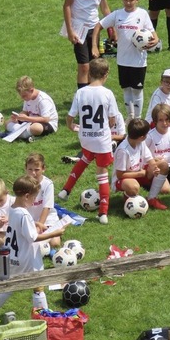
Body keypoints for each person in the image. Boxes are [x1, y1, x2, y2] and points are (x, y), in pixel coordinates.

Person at [0, 175, 66, 324]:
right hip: (27, 258)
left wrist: (37, 224)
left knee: (10, 286)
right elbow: (32, 238)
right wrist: (54, 233)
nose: (34, 201)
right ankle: (43, 315)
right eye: (34, 198)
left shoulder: (13, 209)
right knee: (38, 285)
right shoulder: (24, 213)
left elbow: (21, 229)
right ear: (27, 196)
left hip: (14, 255)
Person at [58, 58, 118, 225]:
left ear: (89, 74)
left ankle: (65, 190)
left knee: (84, 159)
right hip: (101, 140)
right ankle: (103, 212)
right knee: (102, 174)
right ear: (106, 74)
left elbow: (69, 116)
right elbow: (112, 119)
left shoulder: (81, 92)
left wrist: (71, 126)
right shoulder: (107, 94)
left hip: (85, 138)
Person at [91, 0, 159, 120]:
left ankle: (138, 118)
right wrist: (94, 46)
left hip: (138, 61)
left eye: (131, 0)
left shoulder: (142, 14)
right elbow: (98, 26)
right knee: (126, 89)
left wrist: (155, 40)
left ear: (137, 0)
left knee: (137, 89)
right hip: (122, 59)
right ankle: (130, 115)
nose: (128, 2)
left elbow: (153, 34)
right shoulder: (117, 14)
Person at [63, 0, 116, 88]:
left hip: (95, 28)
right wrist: (70, 31)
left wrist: (112, 29)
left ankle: (92, 94)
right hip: (79, 28)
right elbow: (67, 6)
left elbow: (104, 7)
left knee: (94, 65)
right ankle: (82, 96)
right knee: (84, 66)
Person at [112, 118, 169, 210]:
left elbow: (149, 158)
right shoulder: (122, 151)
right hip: (125, 179)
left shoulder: (140, 142)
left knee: (163, 165)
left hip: (140, 172)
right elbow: (119, 175)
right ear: (142, 137)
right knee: (133, 187)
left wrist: (155, 168)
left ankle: (151, 198)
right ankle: (128, 198)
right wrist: (140, 174)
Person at [0, 76, 58, 142]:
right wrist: (18, 117)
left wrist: (26, 118)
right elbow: (25, 112)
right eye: (21, 96)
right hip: (30, 121)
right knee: (8, 122)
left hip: (47, 124)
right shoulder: (28, 98)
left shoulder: (43, 100)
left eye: (24, 96)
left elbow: (45, 119)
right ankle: (24, 136)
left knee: (36, 128)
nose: (23, 98)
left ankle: (12, 134)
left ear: (31, 90)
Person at [24, 153, 61, 248]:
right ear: (26, 169)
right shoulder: (23, 183)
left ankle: (47, 248)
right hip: (30, 219)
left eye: (37, 170)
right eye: (30, 169)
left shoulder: (48, 184)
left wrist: (39, 226)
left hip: (48, 219)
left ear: (43, 169)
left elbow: (47, 207)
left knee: (55, 243)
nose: (33, 173)